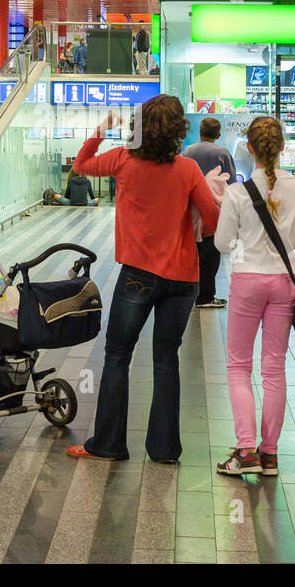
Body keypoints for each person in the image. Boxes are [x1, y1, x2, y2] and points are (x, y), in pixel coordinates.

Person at [65, 96, 220, 463]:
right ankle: (165, 450)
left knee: (118, 354)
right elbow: (212, 221)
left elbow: (81, 165)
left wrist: (101, 130)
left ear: (138, 128)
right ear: (177, 129)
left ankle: (108, 444)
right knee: (166, 359)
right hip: (183, 278)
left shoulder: (122, 159)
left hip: (138, 275)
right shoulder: (187, 169)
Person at [212, 116, 295, 476]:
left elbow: (222, 244)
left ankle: (245, 450)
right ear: (283, 147)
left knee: (239, 366)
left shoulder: (238, 193)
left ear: (249, 148)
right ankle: (268, 454)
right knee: (274, 369)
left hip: (247, 281)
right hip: (284, 282)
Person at [183, 117, 237, 309]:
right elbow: (231, 182)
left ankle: (189, 293)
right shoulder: (223, 152)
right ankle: (206, 296)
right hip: (214, 211)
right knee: (210, 254)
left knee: (192, 252)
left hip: (191, 209)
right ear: (218, 135)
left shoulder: (189, 151)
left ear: (200, 132)